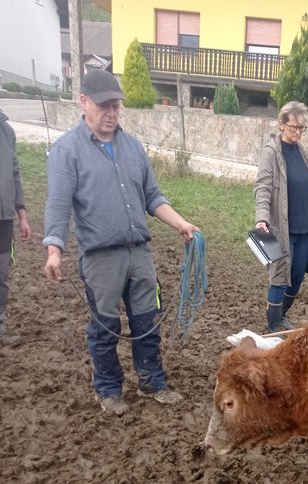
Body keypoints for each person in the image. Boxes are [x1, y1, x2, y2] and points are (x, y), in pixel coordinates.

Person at [43, 69, 199, 416]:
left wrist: (181, 224)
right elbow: (58, 203)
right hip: (100, 259)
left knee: (147, 320)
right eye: (104, 106)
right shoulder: (67, 151)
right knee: (105, 328)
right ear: (83, 102)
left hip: (139, 253)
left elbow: (152, 196)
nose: (111, 113)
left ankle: (151, 381)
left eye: (116, 106)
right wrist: (54, 249)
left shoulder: (132, 147)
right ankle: (109, 389)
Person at [255, 100, 308, 333]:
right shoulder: (271, 153)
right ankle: (273, 323)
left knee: (297, 277)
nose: (297, 132)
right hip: (278, 229)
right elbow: (263, 188)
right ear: (281, 125)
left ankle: (282, 313)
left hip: (303, 230)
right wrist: (262, 218)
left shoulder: (303, 153)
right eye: (293, 127)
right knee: (279, 277)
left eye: (301, 128)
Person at [0, 109, 32, 346]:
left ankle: (0, 325)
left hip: (4, 217)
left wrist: (22, 215)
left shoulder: (7, 131)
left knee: (2, 275)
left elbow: (14, 172)